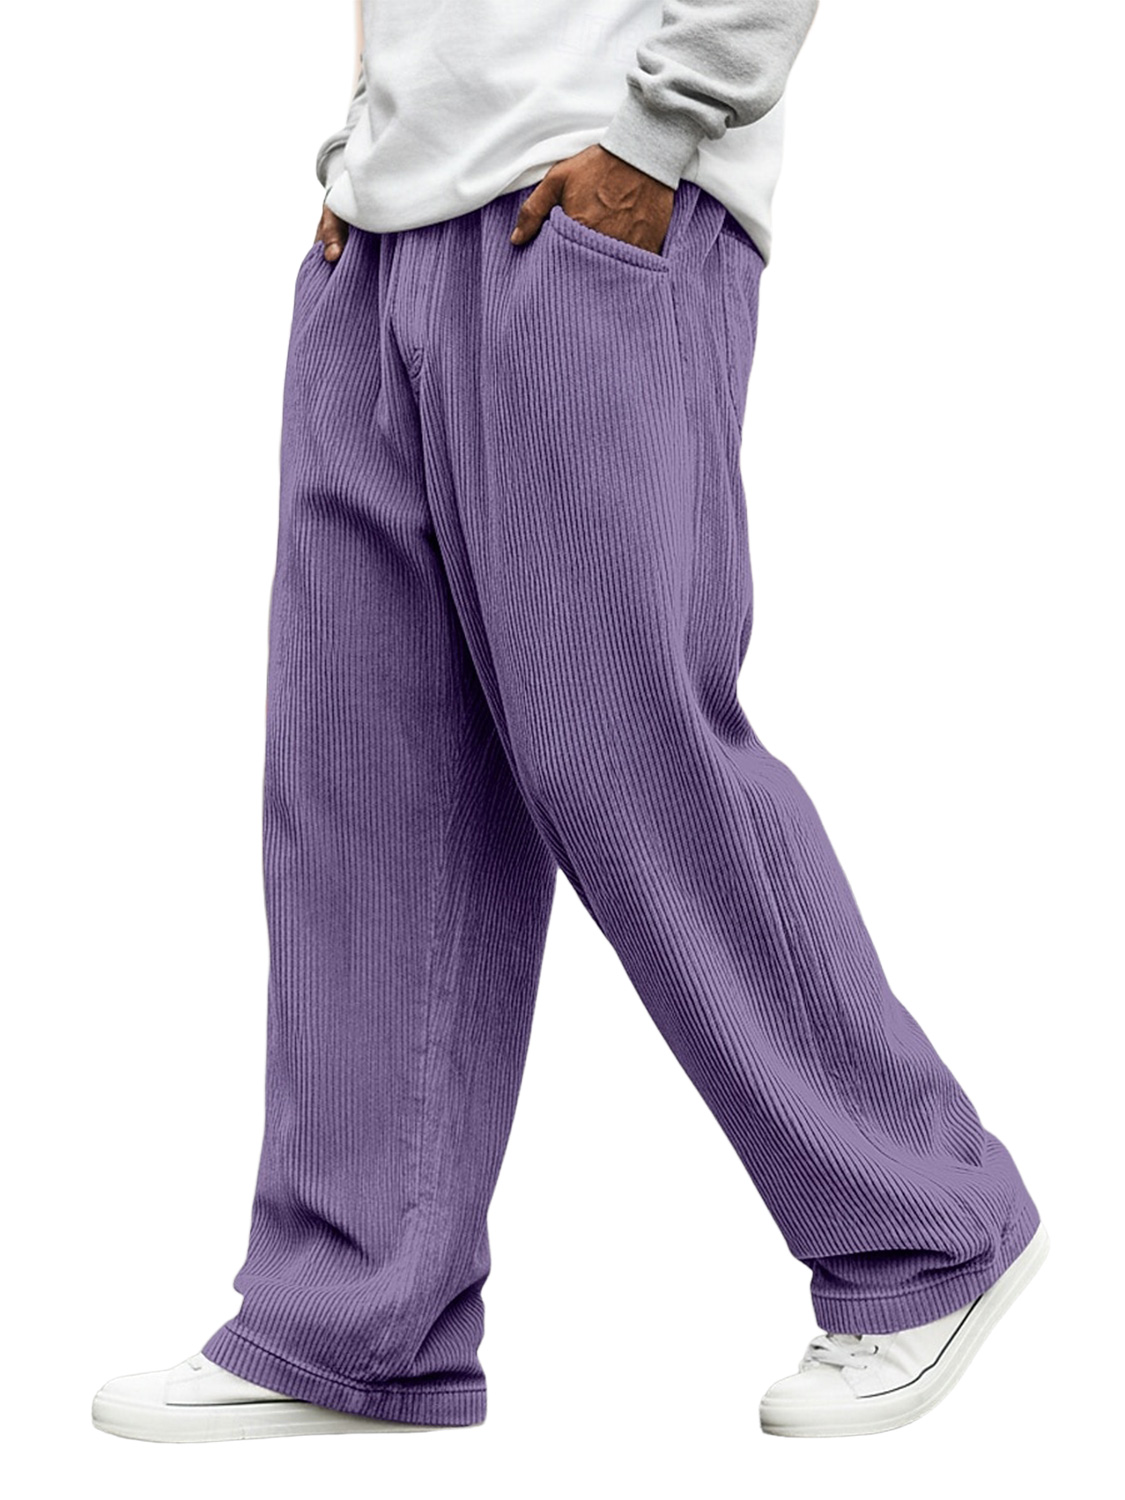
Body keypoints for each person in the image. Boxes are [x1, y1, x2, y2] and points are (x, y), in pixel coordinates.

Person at [92, 0, 1046, 1444]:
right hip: (382, 226)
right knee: (362, 777)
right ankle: (355, 1315)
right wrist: (361, 141)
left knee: (625, 753)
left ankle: (926, 1226)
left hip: (587, 197)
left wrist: (660, 132)